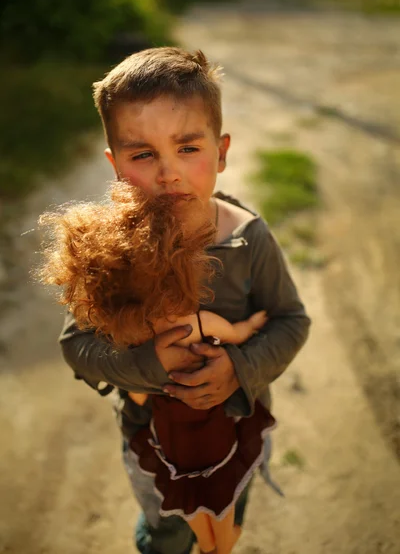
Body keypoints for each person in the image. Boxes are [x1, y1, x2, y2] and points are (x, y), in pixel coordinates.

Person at [57, 47, 311, 554]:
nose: (168, 172)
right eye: (143, 154)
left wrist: (238, 367)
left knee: (226, 514)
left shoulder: (248, 239)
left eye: (188, 149)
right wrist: (149, 365)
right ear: (115, 164)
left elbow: (290, 321)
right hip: (152, 434)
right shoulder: (112, 248)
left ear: (221, 151)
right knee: (169, 530)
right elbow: (77, 346)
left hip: (236, 423)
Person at [38, 181, 275, 554]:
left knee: (185, 505)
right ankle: (220, 546)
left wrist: (151, 374)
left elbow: (137, 392)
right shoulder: (192, 323)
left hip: (174, 449)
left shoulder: (132, 343)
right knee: (221, 505)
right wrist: (253, 325)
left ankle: (209, 543)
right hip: (215, 433)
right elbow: (234, 332)